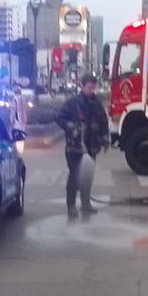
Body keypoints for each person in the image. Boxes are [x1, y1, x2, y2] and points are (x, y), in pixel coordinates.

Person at [56, 74, 109, 217]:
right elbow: (59, 117)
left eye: (94, 87)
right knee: (74, 176)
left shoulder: (96, 104)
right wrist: (71, 127)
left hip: (91, 147)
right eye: (89, 87)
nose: (92, 90)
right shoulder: (73, 103)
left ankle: (85, 204)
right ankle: (71, 206)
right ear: (83, 86)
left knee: (87, 176)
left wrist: (105, 139)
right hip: (74, 148)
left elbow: (103, 122)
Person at [9, 78, 29, 155]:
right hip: (23, 119)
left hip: (17, 119)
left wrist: (11, 119)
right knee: (22, 134)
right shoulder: (23, 98)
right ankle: (21, 151)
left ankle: (17, 151)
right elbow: (26, 108)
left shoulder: (15, 99)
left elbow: (13, 110)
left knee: (17, 135)